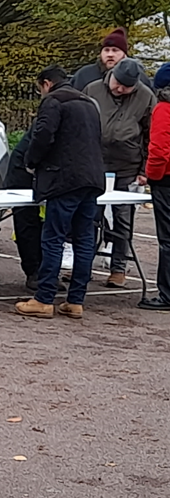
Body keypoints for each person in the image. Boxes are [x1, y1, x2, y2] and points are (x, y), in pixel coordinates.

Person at [16, 66, 105, 319]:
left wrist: (31, 162)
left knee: (53, 237)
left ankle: (44, 299)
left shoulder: (54, 101)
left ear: (46, 83)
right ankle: (76, 300)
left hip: (64, 178)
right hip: (93, 178)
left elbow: (43, 135)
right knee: (84, 239)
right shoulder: (88, 102)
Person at [83, 57, 155, 287]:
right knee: (88, 216)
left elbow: (150, 134)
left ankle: (118, 267)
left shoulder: (145, 96)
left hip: (127, 166)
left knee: (123, 220)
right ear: (111, 75)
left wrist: (144, 170)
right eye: (118, 84)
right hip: (94, 164)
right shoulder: (93, 89)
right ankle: (81, 265)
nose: (120, 89)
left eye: (127, 86)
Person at [139, 63, 170, 311]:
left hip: (166, 180)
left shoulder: (163, 109)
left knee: (167, 239)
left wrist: (152, 175)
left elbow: (159, 150)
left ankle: (167, 294)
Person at [3, 134, 42, 291]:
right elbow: (41, 142)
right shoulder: (52, 114)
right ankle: (33, 272)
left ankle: (45, 272)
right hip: (24, 170)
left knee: (46, 226)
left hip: (44, 170)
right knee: (27, 224)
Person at [71, 27, 151, 89]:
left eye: (115, 50)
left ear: (124, 54)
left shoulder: (138, 77)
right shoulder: (84, 75)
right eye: (106, 50)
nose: (110, 54)